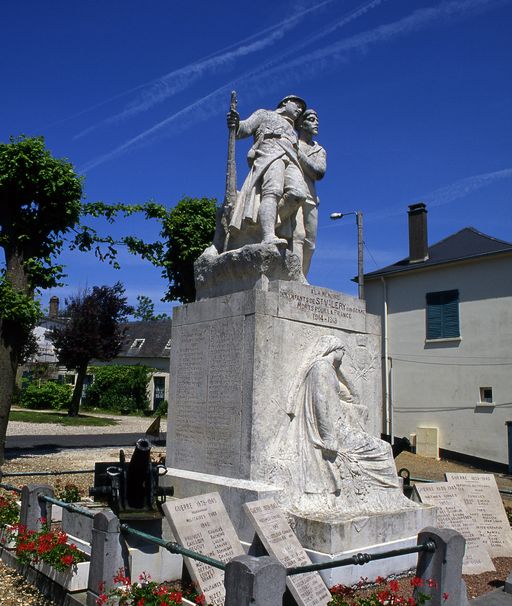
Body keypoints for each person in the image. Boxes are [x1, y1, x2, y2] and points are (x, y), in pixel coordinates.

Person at [268, 336, 413, 515]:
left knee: (382, 448)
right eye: (343, 350)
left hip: (339, 429)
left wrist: (340, 371)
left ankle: (389, 499)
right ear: (334, 349)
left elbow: (353, 397)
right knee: (383, 449)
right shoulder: (321, 368)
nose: (344, 355)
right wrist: (329, 436)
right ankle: (389, 500)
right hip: (334, 433)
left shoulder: (327, 369)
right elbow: (321, 403)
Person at [226, 95, 309, 247]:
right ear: (285, 103)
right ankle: (268, 234)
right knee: (273, 191)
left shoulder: (293, 131)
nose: (299, 110)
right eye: (297, 105)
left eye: (301, 109)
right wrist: (235, 122)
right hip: (270, 151)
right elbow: (243, 129)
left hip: (291, 157)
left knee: (298, 193)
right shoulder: (264, 114)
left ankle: (265, 220)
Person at [291, 109, 326, 279]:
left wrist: (299, 154)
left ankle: (302, 276)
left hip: (311, 197)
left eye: (316, 119)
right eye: (312, 119)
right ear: (301, 123)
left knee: (310, 244)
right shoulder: (289, 142)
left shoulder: (319, 150)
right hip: (292, 194)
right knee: (297, 235)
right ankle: (296, 276)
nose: (316, 123)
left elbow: (319, 172)